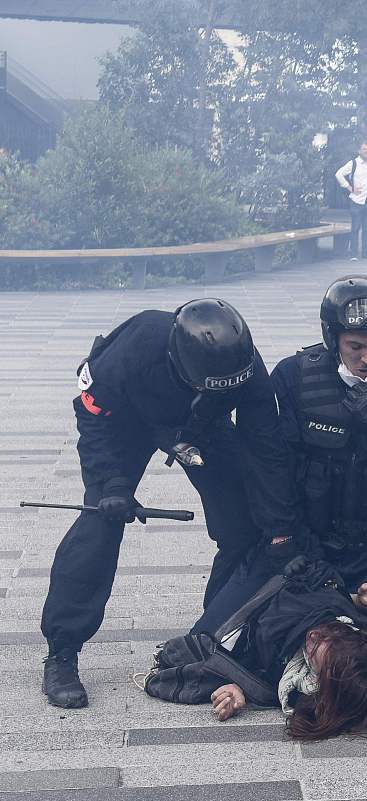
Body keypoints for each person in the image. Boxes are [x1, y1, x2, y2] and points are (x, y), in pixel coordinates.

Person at [194, 275, 367, 699]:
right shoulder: (294, 379)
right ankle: (345, 621)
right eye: (356, 346)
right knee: (203, 650)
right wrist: (283, 539)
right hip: (300, 549)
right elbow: (265, 469)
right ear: (333, 337)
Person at [40, 300, 302, 709]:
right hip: (122, 422)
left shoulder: (247, 369)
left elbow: (264, 452)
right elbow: (91, 413)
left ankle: (213, 635)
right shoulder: (136, 347)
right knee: (98, 527)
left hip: (200, 426)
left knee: (244, 527)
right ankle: (62, 649)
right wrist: (112, 484)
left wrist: (280, 528)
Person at [143, 558, 367, 741]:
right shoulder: (355, 641)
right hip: (274, 568)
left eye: (314, 653)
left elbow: (270, 682)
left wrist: (237, 686)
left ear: (317, 679)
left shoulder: (300, 689)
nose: (314, 638)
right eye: (329, 639)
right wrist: (356, 600)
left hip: (262, 607)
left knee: (198, 643)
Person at [335, 141, 367, 261]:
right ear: (359, 151)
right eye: (364, 149)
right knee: (355, 227)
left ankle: (366, 252)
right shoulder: (353, 163)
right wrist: (349, 187)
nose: (366, 151)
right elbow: (338, 174)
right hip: (356, 200)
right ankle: (353, 253)